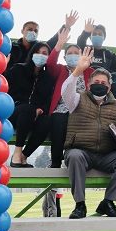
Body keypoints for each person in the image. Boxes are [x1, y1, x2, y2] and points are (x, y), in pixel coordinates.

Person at [63, 48, 116, 219]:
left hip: (106, 155)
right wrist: (78, 71)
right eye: (96, 82)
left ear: (109, 87)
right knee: (74, 156)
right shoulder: (77, 99)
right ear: (89, 84)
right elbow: (65, 91)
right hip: (81, 152)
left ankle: (108, 202)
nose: (100, 85)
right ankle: (80, 205)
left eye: (104, 83)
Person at [5, 38, 58, 168]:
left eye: (45, 53)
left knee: (47, 121)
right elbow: (4, 85)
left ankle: (24, 156)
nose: (41, 55)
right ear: (32, 53)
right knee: (27, 108)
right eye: (38, 52)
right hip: (14, 111)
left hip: (34, 115)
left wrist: (41, 110)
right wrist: (3, 67)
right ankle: (17, 154)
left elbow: (48, 100)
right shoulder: (18, 69)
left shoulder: (48, 78)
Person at [46, 39, 94, 168]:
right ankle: (55, 162)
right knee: (58, 120)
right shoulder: (61, 69)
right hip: (61, 109)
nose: (73, 55)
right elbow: (50, 64)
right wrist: (59, 45)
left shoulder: (89, 72)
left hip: (81, 109)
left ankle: (76, 161)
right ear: (65, 56)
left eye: (76, 53)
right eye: (70, 53)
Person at [7, 11, 75, 69]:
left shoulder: (40, 47)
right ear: (22, 31)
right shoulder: (12, 46)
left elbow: (54, 40)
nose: (33, 32)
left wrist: (67, 26)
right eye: (30, 29)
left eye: (36, 31)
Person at [76, 18, 116, 99]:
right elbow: (80, 42)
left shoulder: (110, 54)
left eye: (100, 34)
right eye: (94, 34)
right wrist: (86, 32)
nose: (97, 36)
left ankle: (113, 108)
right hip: (87, 82)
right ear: (90, 37)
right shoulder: (86, 50)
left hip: (103, 83)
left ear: (104, 37)